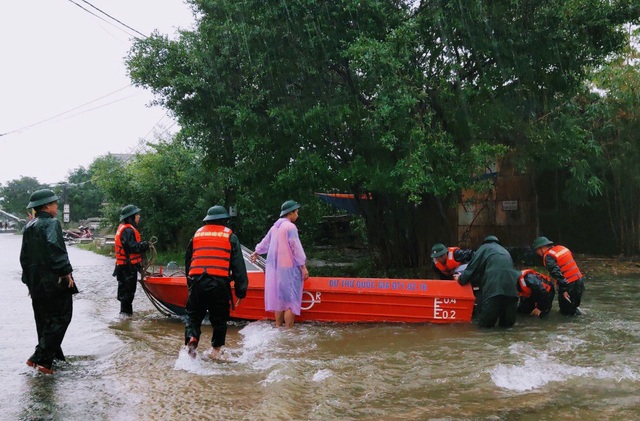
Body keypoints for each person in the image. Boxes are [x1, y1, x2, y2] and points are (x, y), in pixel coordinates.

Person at [20, 189, 78, 374]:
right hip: (54, 281)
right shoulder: (52, 223)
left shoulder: (29, 226)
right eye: (54, 203)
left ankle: (54, 359)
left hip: (36, 283)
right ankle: (41, 358)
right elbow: (56, 249)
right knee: (62, 317)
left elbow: (24, 258)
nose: (56, 207)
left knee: (44, 321)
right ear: (46, 205)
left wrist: (28, 282)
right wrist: (66, 272)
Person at [184, 205, 249, 359]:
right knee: (219, 319)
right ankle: (216, 351)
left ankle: (192, 339)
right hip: (219, 284)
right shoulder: (230, 236)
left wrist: (190, 284)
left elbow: (188, 262)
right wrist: (241, 290)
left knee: (193, 316)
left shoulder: (197, 235)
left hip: (197, 282)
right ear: (224, 220)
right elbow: (239, 266)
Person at [250, 200, 309, 328]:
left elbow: (265, 242)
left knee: (279, 298)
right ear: (290, 213)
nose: (297, 215)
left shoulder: (275, 227)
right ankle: (288, 330)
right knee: (291, 299)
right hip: (289, 268)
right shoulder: (290, 227)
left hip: (275, 269)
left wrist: (256, 252)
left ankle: (278, 327)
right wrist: (303, 267)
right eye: (296, 212)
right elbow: (296, 248)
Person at [456, 235, 519, 328]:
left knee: (485, 327)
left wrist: (460, 279)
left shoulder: (484, 248)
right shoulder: (505, 252)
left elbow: (472, 268)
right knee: (507, 328)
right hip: (512, 293)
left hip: (493, 291)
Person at [532, 236, 584, 316]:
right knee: (573, 309)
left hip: (568, 285)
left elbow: (556, 273)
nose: (537, 253)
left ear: (541, 248)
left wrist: (563, 289)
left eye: (537, 250)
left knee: (565, 312)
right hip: (579, 281)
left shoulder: (548, 257)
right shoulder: (561, 248)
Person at [113, 204, 149, 316]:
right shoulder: (128, 230)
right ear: (131, 217)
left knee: (127, 295)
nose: (139, 217)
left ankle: (125, 320)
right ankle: (125, 320)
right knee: (127, 295)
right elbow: (132, 248)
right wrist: (144, 245)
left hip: (126, 267)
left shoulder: (126, 229)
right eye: (137, 215)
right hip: (126, 268)